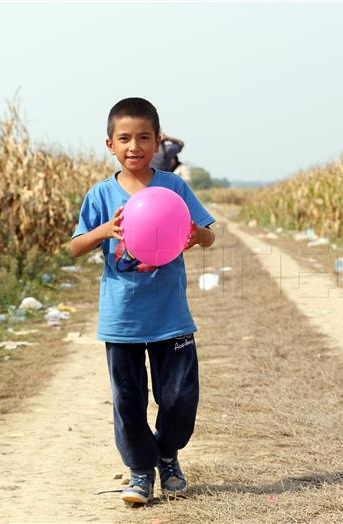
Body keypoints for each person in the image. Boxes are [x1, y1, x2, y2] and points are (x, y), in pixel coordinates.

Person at [70, 97, 216, 505]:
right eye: (125, 138)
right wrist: (104, 231)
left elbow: (207, 233)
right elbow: (74, 247)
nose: (134, 146)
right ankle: (139, 472)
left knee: (179, 399)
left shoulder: (174, 187)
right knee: (128, 403)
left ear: (157, 142)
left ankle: (167, 454)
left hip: (171, 318)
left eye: (144, 138)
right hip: (122, 321)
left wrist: (195, 233)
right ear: (110, 145)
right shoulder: (100, 195)